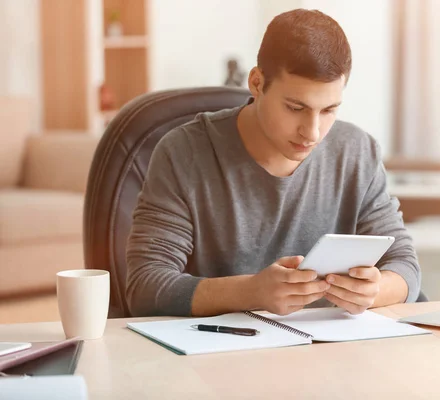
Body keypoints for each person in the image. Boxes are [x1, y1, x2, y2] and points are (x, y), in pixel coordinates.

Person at [126, 9, 421, 317]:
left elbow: (405, 268)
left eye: (329, 110)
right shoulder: (183, 154)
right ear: (257, 83)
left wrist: (373, 291)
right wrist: (251, 292)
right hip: (223, 354)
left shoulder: (357, 152)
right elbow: (145, 288)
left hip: (331, 352)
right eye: (295, 108)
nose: (313, 132)